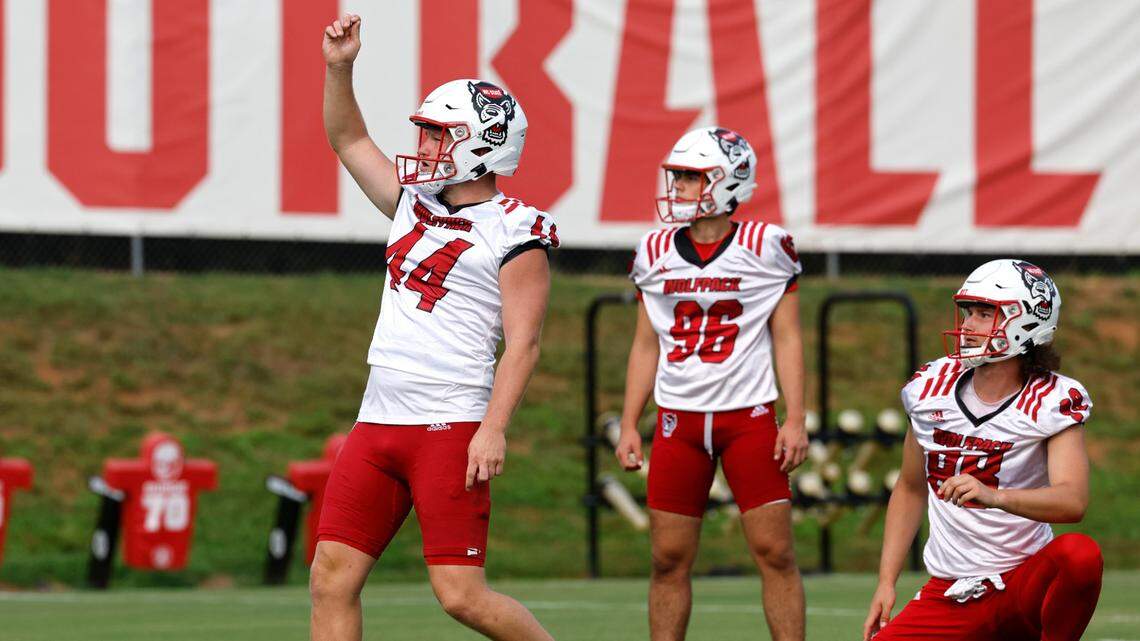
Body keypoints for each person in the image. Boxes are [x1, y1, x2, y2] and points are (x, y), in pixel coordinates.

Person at [312, 13, 558, 641]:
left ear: (484, 144)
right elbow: (348, 140)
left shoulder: (516, 230)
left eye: (437, 135)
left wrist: (493, 429)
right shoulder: (411, 203)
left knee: (461, 597)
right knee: (330, 578)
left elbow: (523, 343)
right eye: (423, 132)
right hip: (378, 417)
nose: (421, 146)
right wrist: (340, 69)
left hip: (448, 422)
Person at [615, 126, 810, 641]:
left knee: (776, 553)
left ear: (728, 182)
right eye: (676, 175)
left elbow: (787, 337)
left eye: (690, 176)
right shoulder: (654, 250)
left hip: (748, 416)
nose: (677, 186)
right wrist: (630, 422)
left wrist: (795, 418)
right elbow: (645, 343)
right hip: (678, 420)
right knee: (667, 560)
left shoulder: (766, 246)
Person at [863, 259, 1103, 641]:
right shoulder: (929, 388)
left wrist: (995, 496)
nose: (967, 325)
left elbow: (1073, 501)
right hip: (950, 592)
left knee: (1079, 555)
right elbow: (910, 488)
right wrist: (885, 582)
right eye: (968, 312)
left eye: (983, 314)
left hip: (1022, 585)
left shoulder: (1052, 399)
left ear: (1025, 320)